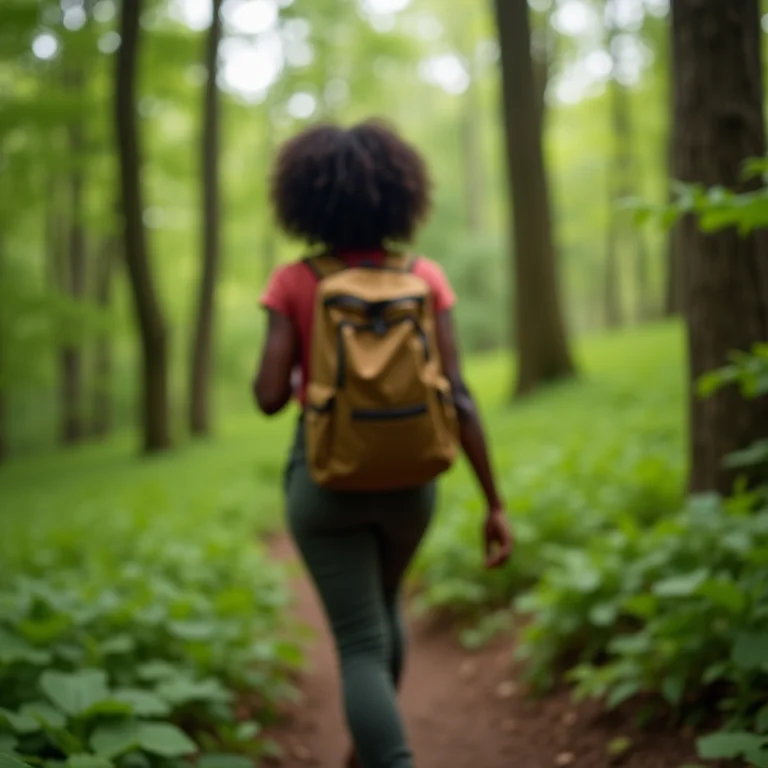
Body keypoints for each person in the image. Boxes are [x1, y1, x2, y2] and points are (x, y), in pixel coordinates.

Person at [253, 120, 512, 768]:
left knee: (358, 641)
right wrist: (493, 503)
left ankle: (385, 757)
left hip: (325, 482)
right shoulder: (424, 276)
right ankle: (370, 752)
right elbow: (458, 395)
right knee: (384, 608)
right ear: (402, 195)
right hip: (412, 481)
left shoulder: (294, 282)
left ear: (303, 198)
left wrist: (304, 370)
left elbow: (267, 397)